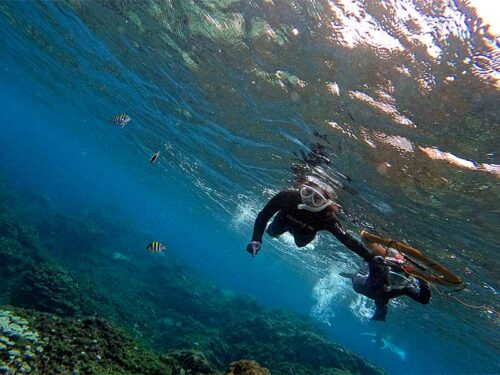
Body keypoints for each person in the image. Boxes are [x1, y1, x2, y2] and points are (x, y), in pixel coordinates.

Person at [246, 181, 371, 261]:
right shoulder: (287, 197)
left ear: (326, 203)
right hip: (283, 220)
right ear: (302, 189)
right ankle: (278, 234)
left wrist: (369, 258)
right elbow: (264, 215)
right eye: (307, 192)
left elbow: (347, 239)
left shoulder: (327, 218)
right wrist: (256, 239)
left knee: (299, 244)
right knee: (271, 232)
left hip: (305, 232)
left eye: (316, 198)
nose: (308, 200)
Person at [341, 254, 431, 321]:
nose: (395, 282)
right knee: (380, 299)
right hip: (368, 287)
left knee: (380, 300)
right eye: (394, 278)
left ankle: (379, 315)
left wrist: (424, 284)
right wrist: (424, 284)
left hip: (373, 289)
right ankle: (379, 314)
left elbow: (423, 299)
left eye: (399, 280)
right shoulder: (403, 285)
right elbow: (423, 299)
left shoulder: (404, 286)